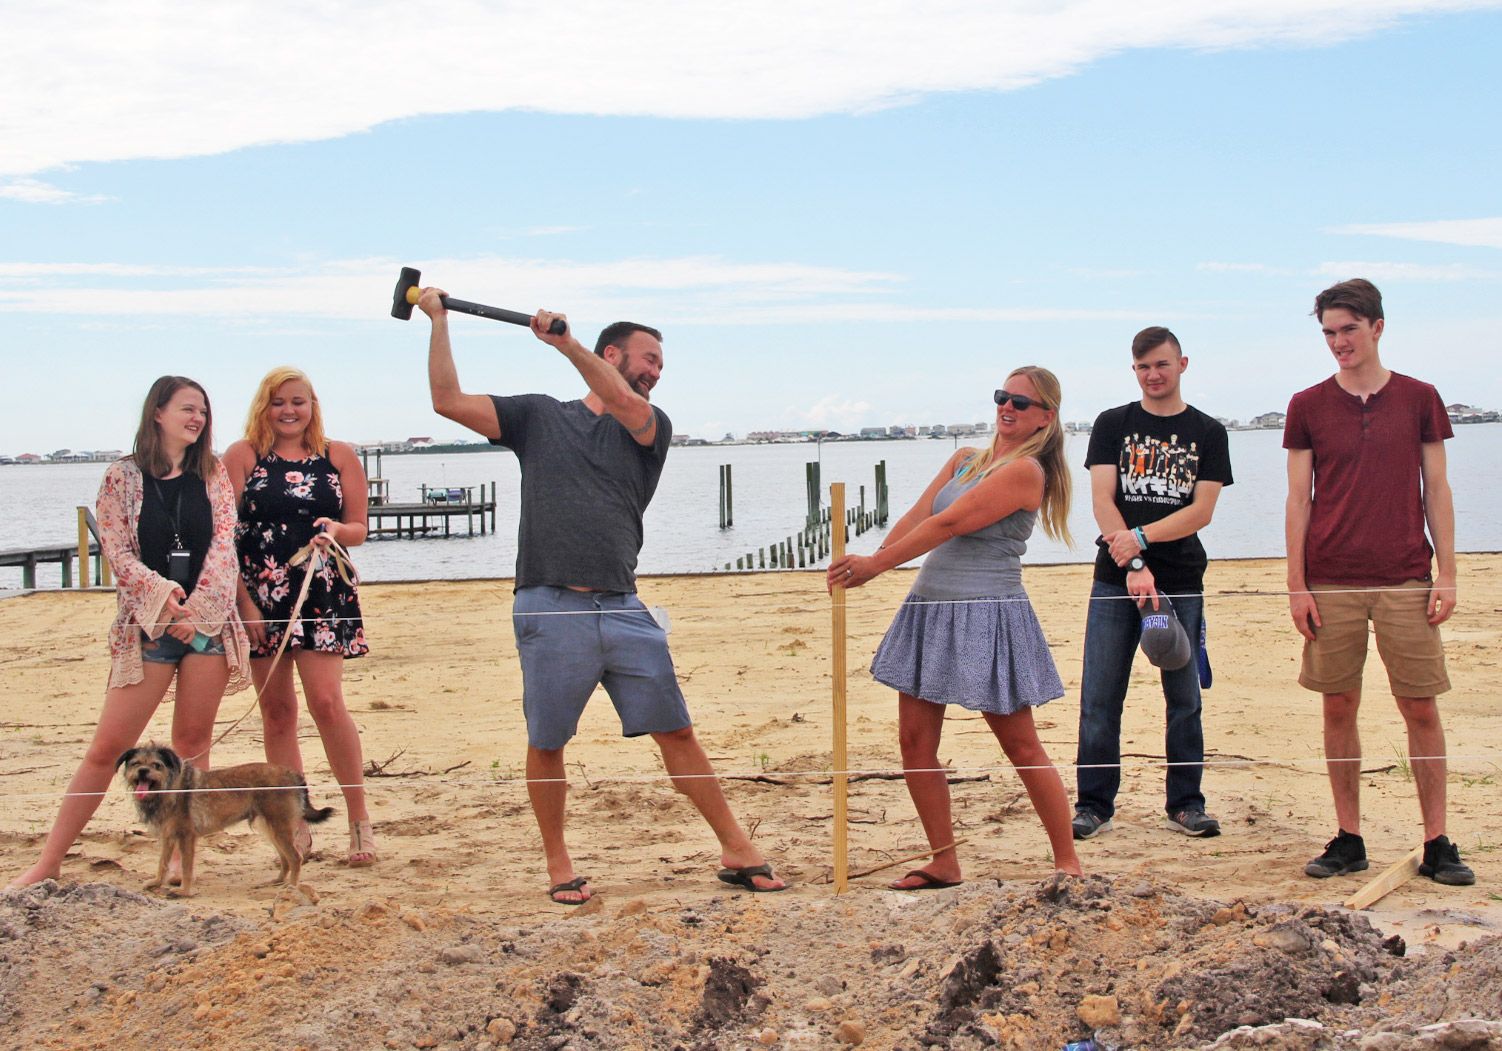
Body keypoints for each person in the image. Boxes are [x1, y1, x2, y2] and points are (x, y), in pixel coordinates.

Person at [419, 289, 786, 904]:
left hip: (622, 604)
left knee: (677, 732)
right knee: (547, 741)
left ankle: (736, 845)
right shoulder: (539, 417)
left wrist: (565, 345)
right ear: (612, 352)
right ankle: (559, 863)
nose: (655, 373)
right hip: (547, 602)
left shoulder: (650, 425)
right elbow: (447, 402)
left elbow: (618, 400)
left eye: (661, 365)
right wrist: (438, 321)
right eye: (647, 359)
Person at [827, 367, 1082, 887]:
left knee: (1021, 744)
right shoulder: (965, 460)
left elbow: (951, 523)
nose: (1007, 408)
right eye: (1002, 397)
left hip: (988, 612)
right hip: (929, 607)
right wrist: (871, 562)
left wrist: (876, 567)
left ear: (1046, 418)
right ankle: (944, 859)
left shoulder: (1027, 472)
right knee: (915, 742)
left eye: (1021, 403)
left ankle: (1067, 862)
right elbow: (920, 518)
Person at [8, 376, 250, 889]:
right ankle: (49, 862)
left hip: (206, 629)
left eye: (203, 412)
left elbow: (225, 548)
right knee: (107, 747)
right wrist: (165, 599)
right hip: (148, 628)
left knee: (191, 748)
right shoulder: (122, 476)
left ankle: (183, 865)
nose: (197, 419)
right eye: (188, 409)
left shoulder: (214, 474)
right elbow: (116, 552)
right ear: (157, 413)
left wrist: (199, 612)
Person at [1285, 278, 1473, 886]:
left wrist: (1447, 572)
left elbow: (1436, 489)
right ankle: (1349, 838)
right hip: (1330, 580)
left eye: (1349, 330)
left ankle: (1438, 841)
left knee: (1420, 706)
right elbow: (1298, 499)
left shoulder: (1420, 397)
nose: (1339, 343)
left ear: (1377, 328)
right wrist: (1297, 583)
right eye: (1330, 333)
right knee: (1338, 706)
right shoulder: (1306, 405)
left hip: (1405, 577)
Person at [1072, 327, 1233, 841]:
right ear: (1134, 370)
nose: (1153, 375)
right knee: (1100, 695)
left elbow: (1201, 511)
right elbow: (1102, 501)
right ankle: (1094, 804)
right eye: (1143, 367)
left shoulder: (1208, 432)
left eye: (1161, 365)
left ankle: (1186, 803)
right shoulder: (1112, 424)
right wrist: (1135, 563)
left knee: (1183, 696)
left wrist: (1139, 537)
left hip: (1182, 581)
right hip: (1116, 581)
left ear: (1182, 364)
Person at [223, 367, 375, 867]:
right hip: (261, 593)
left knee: (328, 703)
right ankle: (293, 821)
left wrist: (335, 528)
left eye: (298, 401)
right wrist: (244, 603)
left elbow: (359, 529)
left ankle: (359, 819)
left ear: (313, 405)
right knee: (278, 711)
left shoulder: (339, 456)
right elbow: (223, 535)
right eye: (278, 402)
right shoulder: (243, 456)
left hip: (321, 590)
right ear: (262, 406)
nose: (289, 411)